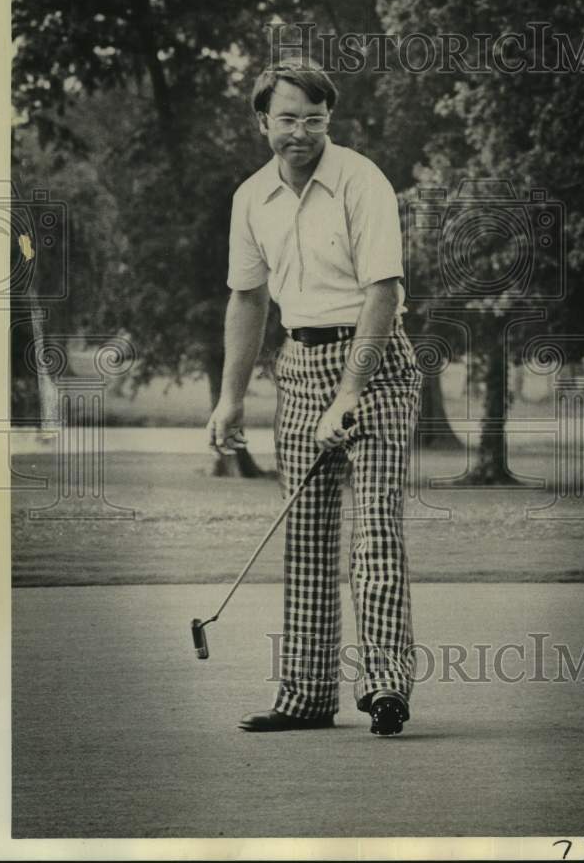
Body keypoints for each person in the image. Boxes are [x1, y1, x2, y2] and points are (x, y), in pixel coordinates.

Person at [207, 59, 423, 737]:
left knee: (374, 531)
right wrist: (229, 399)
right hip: (297, 365)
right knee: (305, 540)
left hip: (375, 364)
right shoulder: (250, 198)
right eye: (287, 119)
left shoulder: (362, 181)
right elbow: (246, 300)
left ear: (330, 120)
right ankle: (304, 697)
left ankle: (386, 687)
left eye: (314, 119)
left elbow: (382, 293)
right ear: (262, 122)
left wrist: (349, 394)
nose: (300, 132)